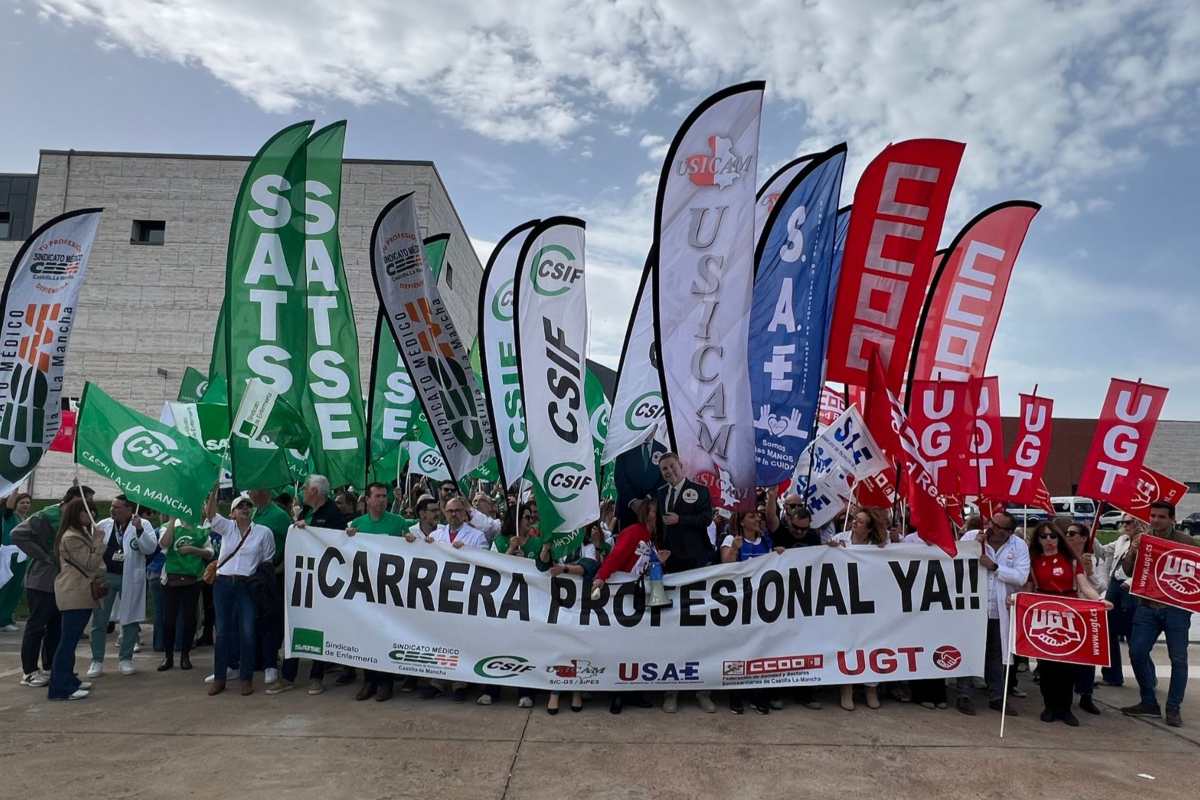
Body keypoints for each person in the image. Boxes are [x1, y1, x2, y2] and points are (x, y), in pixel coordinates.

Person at [1120, 500, 1197, 727]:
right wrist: (1133, 551)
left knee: (1179, 660)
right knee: (1137, 652)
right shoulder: (1142, 539)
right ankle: (1148, 702)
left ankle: (1173, 708)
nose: (1155, 520)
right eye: (1152, 515)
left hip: (1175, 610)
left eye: (1161, 517)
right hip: (1147, 606)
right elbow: (1127, 571)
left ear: (1172, 519)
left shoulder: (1187, 542)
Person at [653, 452, 716, 715]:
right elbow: (658, 527)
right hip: (672, 568)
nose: (668, 472)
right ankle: (672, 690)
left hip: (696, 565)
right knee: (672, 629)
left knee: (699, 629)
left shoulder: (699, 491)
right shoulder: (659, 493)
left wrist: (682, 520)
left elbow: (707, 519)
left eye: (671, 466)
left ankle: (703, 690)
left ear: (681, 465)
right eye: (664, 469)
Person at [12, 485, 94, 688]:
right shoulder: (47, 516)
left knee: (57, 627)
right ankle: (29, 671)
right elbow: (17, 534)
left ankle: (52, 669)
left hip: (63, 582)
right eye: (84, 502)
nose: (89, 507)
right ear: (72, 500)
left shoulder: (77, 521)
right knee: (37, 626)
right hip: (43, 581)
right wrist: (45, 556)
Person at [1028, 521, 1107, 726]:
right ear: (1038, 540)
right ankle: (1049, 706)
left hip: (1069, 613)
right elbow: (1028, 589)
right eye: (1043, 536)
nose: (1048, 540)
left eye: (1052, 536)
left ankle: (1065, 708)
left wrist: (1098, 601)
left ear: (1058, 538)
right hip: (1044, 612)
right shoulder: (1033, 561)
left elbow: (1084, 585)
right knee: (1046, 665)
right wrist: (1016, 599)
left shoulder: (1071, 560)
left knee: (1068, 665)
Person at [345, 482, 414, 702]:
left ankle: (386, 682)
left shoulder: (398, 523)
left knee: (386, 636)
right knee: (365, 635)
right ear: (367, 499)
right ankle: (369, 681)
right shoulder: (357, 524)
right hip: (364, 591)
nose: (382, 500)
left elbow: (414, 547)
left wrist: (412, 541)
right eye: (377, 496)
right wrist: (347, 538)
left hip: (389, 590)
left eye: (385, 496)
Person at [957, 511, 1029, 717]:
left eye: (997, 526)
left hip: (999, 610)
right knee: (969, 650)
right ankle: (964, 694)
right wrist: (973, 548)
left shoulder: (1018, 546)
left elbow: (1021, 577)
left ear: (1007, 532)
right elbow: (955, 561)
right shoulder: (972, 537)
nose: (990, 527)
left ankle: (997, 696)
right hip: (973, 607)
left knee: (997, 655)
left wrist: (995, 567)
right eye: (991, 522)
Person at [592, 498, 658, 715]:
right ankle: (617, 694)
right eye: (655, 510)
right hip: (625, 597)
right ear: (647, 513)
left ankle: (635, 692)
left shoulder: (651, 536)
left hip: (641, 598)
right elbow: (617, 555)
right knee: (622, 648)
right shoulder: (633, 531)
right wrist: (601, 576)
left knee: (639, 649)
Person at [206, 491, 275, 696]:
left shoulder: (263, 532)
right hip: (224, 583)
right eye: (240, 506)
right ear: (232, 513)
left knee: (247, 631)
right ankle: (220, 678)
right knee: (223, 632)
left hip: (247, 585)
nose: (245, 509)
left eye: (248, 506)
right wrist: (213, 493)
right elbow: (210, 514)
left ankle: (246, 678)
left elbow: (267, 560)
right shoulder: (227, 528)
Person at [290, 474, 351, 694]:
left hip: (326, 582)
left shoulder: (333, 514)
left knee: (322, 627)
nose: (303, 491)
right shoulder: (306, 512)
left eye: (305, 488)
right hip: (304, 578)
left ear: (315, 491)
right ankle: (289, 675)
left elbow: (338, 543)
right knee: (298, 622)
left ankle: (317, 676)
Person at [720, 509, 785, 715]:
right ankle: (736, 695)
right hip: (739, 604)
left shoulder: (765, 540)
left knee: (761, 648)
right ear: (740, 521)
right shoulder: (731, 538)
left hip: (762, 604)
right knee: (738, 648)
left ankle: (759, 694)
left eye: (758, 517)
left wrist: (780, 554)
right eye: (751, 516)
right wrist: (733, 550)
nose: (757, 519)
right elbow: (724, 567)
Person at [87, 496, 158, 678]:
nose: (112, 510)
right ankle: (97, 661)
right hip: (106, 577)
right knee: (100, 620)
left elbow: (150, 549)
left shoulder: (142, 524)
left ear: (129, 509)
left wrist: (140, 530)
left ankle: (125, 659)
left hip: (130, 577)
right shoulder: (104, 524)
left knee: (131, 619)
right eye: (111, 506)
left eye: (117, 507)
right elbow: (93, 547)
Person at [537, 522, 604, 715]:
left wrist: (564, 568)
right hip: (557, 601)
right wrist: (546, 548)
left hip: (579, 603)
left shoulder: (588, 546)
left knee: (578, 644)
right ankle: (555, 692)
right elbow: (542, 565)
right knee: (558, 645)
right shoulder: (558, 544)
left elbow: (589, 567)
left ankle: (577, 690)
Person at [830, 508, 888, 711]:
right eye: (855, 519)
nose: (855, 523)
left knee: (872, 643)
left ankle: (871, 688)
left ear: (870, 529)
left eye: (861, 522)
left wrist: (886, 550)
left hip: (871, 601)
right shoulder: (839, 538)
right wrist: (829, 548)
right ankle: (847, 688)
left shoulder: (879, 545)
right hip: (845, 601)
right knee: (847, 643)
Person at [48, 498, 103, 701]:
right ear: (75, 514)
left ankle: (69, 680)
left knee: (70, 640)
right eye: (86, 512)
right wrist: (98, 541)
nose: (92, 515)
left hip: (80, 591)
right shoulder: (71, 537)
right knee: (68, 642)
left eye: (92, 511)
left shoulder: (79, 533)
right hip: (74, 592)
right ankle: (60, 688)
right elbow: (89, 563)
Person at [248, 487, 293, 690]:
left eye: (252, 490)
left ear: (263, 492)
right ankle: (259, 659)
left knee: (272, 620)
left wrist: (282, 563)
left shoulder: (279, 516)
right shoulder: (255, 513)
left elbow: (292, 540)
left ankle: (271, 662)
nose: (249, 494)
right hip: (255, 575)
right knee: (258, 619)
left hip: (274, 575)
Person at [155, 517, 211, 672]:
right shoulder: (167, 526)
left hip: (193, 579)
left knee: (189, 618)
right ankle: (168, 656)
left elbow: (210, 553)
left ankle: (185, 656)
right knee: (169, 620)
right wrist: (172, 521)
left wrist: (194, 550)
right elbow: (164, 545)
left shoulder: (200, 529)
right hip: (171, 579)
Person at [1064, 521, 1104, 715]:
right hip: (1066, 609)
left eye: (1073, 533)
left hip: (1086, 610)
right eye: (1067, 533)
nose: (1068, 536)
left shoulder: (1094, 560)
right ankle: (1065, 694)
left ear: (1083, 538)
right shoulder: (1062, 558)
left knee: (1087, 656)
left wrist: (1090, 573)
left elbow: (1100, 587)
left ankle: (1086, 695)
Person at [1099, 517, 1141, 687]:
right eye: (1123, 522)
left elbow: (1148, 568)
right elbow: (1101, 551)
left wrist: (1130, 582)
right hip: (1114, 587)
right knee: (1108, 632)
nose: (1124, 525)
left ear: (1140, 523)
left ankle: (1147, 678)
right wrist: (1087, 535)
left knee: (1134, 637)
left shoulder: (1146, 542)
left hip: (1131, 589)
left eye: (1129, 522)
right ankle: (1111, 675)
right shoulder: (1122, 540)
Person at [0, 491, 33, 632]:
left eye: (28, 502)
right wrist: (15, 488)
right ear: (15, 504)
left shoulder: (28, 519)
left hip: (22, 558)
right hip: (9, 558)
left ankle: (6, 618)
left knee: (16, 589)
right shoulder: (9, 516)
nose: (25, 505)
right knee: (5, 588)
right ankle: (1, 619)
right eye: (22, 502)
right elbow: (8, 506)